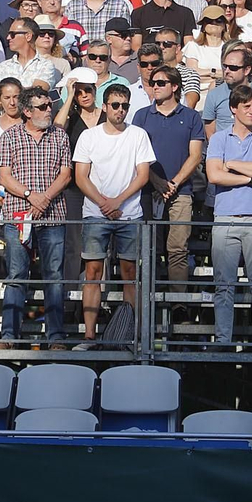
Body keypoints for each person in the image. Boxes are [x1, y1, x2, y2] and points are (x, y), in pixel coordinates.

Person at [72, 85, 155, 347]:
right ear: (105, 106)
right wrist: (103, 203)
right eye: (115, 105)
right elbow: (80, 177)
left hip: (129, 214)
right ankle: (89, 335)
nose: (120, 110)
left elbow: (143, 175)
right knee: (93, 272)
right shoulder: (89, 136)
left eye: (124, 106)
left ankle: (130, 335)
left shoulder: (138, 135)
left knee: (130, 274)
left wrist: (117, 201)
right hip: (95, 214)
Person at [0, 86, 73, 350]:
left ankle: (55, 337)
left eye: (49, 105)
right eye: (42, 107)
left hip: (53, 215)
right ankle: (9, 337)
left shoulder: (60, 136)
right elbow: (4, 177)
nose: (49, 110)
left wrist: (44, 197)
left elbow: (66, 174)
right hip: (18, 215)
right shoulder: (10, 136)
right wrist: (30, 195)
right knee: (16, 275)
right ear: (27, 111)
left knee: (54, 277)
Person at [206, 85, 252, 346]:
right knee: (223, 285)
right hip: (225, 217)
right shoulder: (219, 139)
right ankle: (223, 341)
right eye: (246, 106)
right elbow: (214, 175)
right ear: (233, 109)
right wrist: (250, 178)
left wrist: (232, 165)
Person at [133, 63, 205, 288]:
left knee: (178, 249)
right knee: (148, 248)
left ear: (174, 86)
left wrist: (173, 183)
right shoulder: (141, 116)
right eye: (152, 83)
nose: (154, 86)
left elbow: (195, 155)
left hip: (181, 191)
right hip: (147, 190)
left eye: (160, 83)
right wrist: (157, 182)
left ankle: (178, 301)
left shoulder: (191, 117)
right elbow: (136, 155)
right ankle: (147, 298)